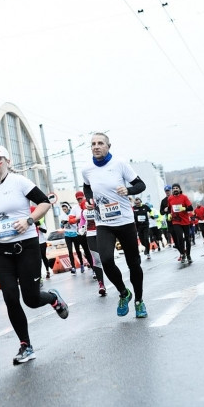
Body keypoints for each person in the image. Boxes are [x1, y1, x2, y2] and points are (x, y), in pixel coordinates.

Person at [0, 145, 68, 364]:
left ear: (7, 161)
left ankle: (52, 298)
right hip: (1, 251)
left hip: (27, 248)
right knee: (11, 298)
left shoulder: (20, 182)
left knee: (31, 299)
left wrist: (29, 220)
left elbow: (44, 202)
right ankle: (25, 345)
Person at [82, 132, 148, 318]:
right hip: (104, 223)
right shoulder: (87, 169)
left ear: (108, 146)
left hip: (125, 221)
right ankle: (123, 293)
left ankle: (139, 301)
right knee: (107, 260)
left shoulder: (119, 165)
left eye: (100, 143)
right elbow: (87, 187)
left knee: (133, 264)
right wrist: (89, 199)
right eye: (93, 144)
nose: (96, 146)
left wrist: (128, 190)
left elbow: (141, 185)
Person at [166, 183, 194, 263]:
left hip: (185, 221)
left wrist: (184, 208)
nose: (175, 189)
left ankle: (188, 254)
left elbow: (190, 208)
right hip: (176, 221)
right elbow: (169, 208)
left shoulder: (184, 197)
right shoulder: (170, 198)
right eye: (173, 188)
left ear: (179, 189)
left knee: (188, 239)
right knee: (179, 238)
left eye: (176, 188)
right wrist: (169, 214)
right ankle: (182, 254)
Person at [61, 201, 84, 274]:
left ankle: (82, 264)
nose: (64, 211)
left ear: (68, 208)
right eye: (63, 209)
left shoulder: (72, 213)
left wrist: (69, 222)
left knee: (77, 250)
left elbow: (76, 223)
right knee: (70, 251)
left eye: (65, 209)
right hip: (67, 235)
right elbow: (61, 226)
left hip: (75, 234)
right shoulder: (62, 215)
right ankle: (73, 267)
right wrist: (62, 223)